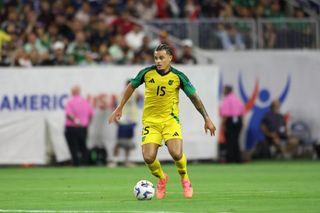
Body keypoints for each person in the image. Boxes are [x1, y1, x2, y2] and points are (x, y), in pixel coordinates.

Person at [108, 43, 216, 199]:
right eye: (156, 58)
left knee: (176, 153)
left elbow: (194, 98)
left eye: (161, 58)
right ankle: (162, 178)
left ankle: (185, 179)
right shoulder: (147, 73)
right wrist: (120, 107)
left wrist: (206, 118)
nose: (158, 61)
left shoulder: (178, 76)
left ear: (170, 58)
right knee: (148, 157)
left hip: (170, 121)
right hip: (151, 122)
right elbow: (131, 86)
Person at [109, 80, 141, 167]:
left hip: (131, 121)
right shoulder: (120, 95)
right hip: (122, 120)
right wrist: (115, 117)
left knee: (128, 142)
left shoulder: (135, 94)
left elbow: (139, 100)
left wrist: (136, 90)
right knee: (119, 141)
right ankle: (114, 160)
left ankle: (127, 160)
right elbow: (116, 106)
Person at [64, 85, 94, 166]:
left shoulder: (70, 102)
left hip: (72, 127)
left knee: (73, 148)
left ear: (72, 92)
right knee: (83, 146)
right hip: (83, 128)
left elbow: (69, 115)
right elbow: (91, 114)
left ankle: (76, 163)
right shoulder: (85, 102)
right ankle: (85, 163)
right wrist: (86, 124)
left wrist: (76, 121)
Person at [219, 85, 245, 163]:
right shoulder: (237, 99)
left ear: (227, 91)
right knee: (236, 140)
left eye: (224, 90)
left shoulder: (227, 99)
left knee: (230, 140)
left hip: (230, 121)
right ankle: (238, 159)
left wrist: (223, 125)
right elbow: (242, 112)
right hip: (238, 120)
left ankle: (230, 159)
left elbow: (225, 115)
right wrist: (242, 123)